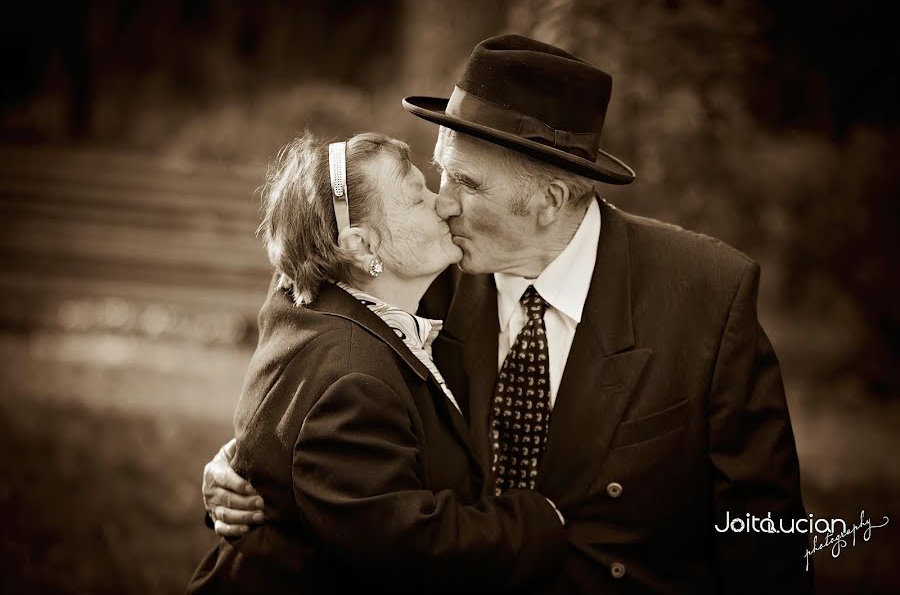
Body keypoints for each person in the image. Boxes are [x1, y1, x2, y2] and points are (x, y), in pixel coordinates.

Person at [203, 36, 815, 593]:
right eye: (440, 172)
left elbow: (768, 529)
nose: (442, 204)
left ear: (549, 200)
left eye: (467, 183)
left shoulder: (706, 294)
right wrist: (247, 461)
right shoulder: (419, 272)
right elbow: (309, 325)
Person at [188, 131, 568, 594]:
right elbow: (409, 545)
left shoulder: (312, 300)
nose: (444, 204)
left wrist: (253, 462)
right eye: (416, 197)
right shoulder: (352, 379)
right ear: (362, 247)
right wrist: (540, 522)